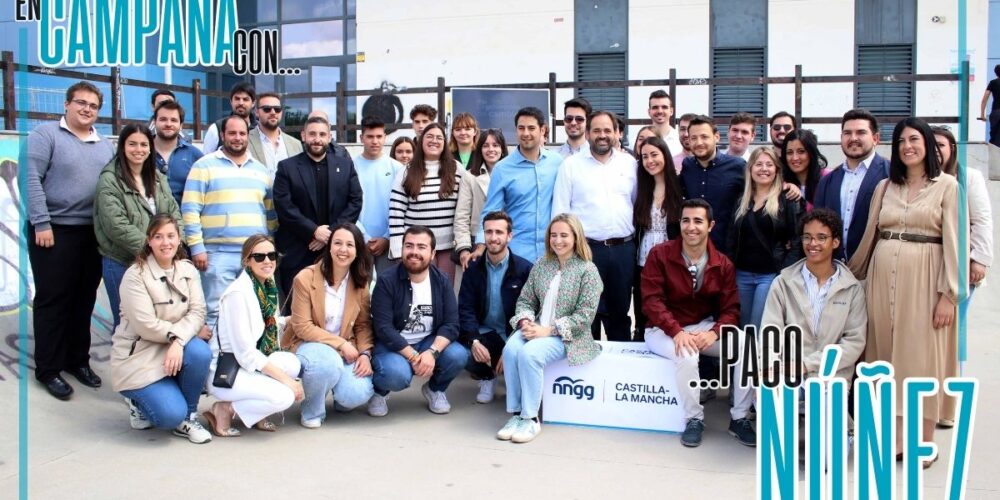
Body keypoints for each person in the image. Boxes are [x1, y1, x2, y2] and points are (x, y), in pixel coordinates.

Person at [847, 117, 958, 468]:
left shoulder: (948, 186)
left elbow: (956, 242)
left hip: (926, 280)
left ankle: (923, 441)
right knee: (883, 357)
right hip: (882, 278)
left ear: (926, 143)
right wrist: (850, 277)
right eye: (901, 141)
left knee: (920, 360)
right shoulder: (885, 186)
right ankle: (892, 440)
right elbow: (870, 236)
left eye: (914, 139)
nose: (908, 146)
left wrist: (949, 295)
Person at [27, 81, 115, 400]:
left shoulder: (104, 144)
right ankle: (48, 369)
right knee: (54, 299)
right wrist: (41, 222)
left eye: (93, 106)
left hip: (90, 233)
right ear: (66, 104)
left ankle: (77, 360)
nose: (86, 109)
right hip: (53, 230)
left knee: (83, 299)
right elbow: (31, 180)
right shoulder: (45, 135)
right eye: (81, 103)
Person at [641, 199, 752, 448]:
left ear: (711, 225)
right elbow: (651, 301)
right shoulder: (660, 254)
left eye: (698, 221)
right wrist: (676, 331)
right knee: (688, 354)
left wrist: (715, 332)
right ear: (679, 224)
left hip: (701, 327)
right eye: (686, 220)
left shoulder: (722, 263)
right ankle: (694, 419)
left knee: (747, 344)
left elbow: (731, 310)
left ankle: (740, 418)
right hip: (661, 330)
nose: (691, 227)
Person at [498, 213, 603, 443]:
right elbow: (526, 300)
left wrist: (548, 330)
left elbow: (585, 316)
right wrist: (525, 321)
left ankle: (531, 419)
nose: (558, 240)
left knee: (530, 353)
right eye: (553, 235)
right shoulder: (542, 265)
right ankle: (516, 414)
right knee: (510, 350)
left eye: (564, 235)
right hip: (536, 328)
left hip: (568, 337)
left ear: (576, 237)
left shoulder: (588, 270)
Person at [111, 214, 212, 443]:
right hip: (141, 356)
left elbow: (198, 312)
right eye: (158, 237)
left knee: (199, 352)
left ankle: (188, 417)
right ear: (149, 241)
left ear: (179, 240)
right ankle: (139, 403)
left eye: (170, 236)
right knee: (168, 415)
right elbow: (145, 325)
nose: (165, 243)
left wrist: (178, 342)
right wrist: (180, 337)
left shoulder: (187, 270)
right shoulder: (135, 275)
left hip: (172, 348)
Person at [182, 115, 277, 330]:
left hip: (254, 256)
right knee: (216, 310)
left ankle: (250, 361)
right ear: (223, 135)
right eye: (232, 133)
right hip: (216, 254)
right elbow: (190, 210)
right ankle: (217, 362)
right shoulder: (203, 166)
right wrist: (197, 247)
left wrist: (268, 249)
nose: (237, 138)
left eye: (242, 133)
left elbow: (270, 215)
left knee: (255, 310)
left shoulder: (261, 171)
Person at [204, 234, 304, 436]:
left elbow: (267, 323)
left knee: (292, 364)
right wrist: (287, 381)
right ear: (247, 261)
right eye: (259, 257)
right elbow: (246, 353)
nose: (267, 261)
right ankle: (224, 409)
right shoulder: (238, 295)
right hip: (228, 372)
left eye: (271, 255)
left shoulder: (266, 287)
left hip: (249, 365)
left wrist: (289, 320)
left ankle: (256, 412)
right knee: (284, 396)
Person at [553, 110, 638, 342]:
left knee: (619, 314)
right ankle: (586, 369)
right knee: (584, 315)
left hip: (623, 250)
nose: (602, 135)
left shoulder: (629, 164)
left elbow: (635, 204)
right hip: (586, 251)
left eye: (607, 130)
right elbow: (561, 213)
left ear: (616, 133)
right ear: (588, 133)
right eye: (597, 130)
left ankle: (619, 370)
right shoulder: (570, 166)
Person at [281, 223, 376, 428]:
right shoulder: (305, 278)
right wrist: (341, 344)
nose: (343, 249)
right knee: (327, 363)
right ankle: (312, 410)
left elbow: (363, 325)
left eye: (350, 245)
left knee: (356, 394)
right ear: (329, 247)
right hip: (308, 344)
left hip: (346, 349)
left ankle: (339, 396)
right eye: (338, 243)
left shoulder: (360, 282)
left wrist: (365, 354)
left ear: (358, 250)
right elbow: (302, 326)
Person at [368, 226, 470, 416]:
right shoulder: (386, 281)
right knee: (397, 374)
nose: (414, 252)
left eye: (421, 247)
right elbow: (383, 328)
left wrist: (431, 352)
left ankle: (435, 389)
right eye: (409, 246)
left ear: (432, 253)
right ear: (402, 249)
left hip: (426, 342)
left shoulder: (441, 280)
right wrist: (414, 357)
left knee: (458, 355)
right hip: (393, 345)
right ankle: (379, 392)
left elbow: (451, 324)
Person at [931, 125, 992, 428]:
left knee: (955, 336)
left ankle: (950, 402)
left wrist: (979, 259)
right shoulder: (922, 180)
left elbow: (981, 220)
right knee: (933, 335)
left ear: (952, 148)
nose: (936, 150)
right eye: (931, 144)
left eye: (940, 144)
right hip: (929, 268)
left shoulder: (969, 177)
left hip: (960, 269)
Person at [95, 124, 183, 330]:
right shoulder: (110, 179)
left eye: (144, 144)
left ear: (151, 148)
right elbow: (116, 225)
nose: (138, 149)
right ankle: (126, 362)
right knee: (127, 325)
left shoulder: (157, 177)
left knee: (156, 321)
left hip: (157, 260)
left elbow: (173, 211)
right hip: (122, 261)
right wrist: (153, 249)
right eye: (132, 144)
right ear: (122, 147)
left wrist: (176, 244)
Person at [273, 116, 362, 300]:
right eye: (312, 134)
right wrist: (313, 231)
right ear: (303, 135)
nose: (317, 139)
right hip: (296, 251)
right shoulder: (286, 167)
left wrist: (329, 233)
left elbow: (355, 202)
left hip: (334, 253)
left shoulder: (345, 166)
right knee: (296, 309)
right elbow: (284, 206)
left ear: (329, 137)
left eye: (322, 134)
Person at [458, 211, 533, 403]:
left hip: (512, 335)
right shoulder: (473, 269)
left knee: (522, 356)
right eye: (488, 232)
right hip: (484, 334)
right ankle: (487, 377)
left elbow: (531, 312)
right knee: (460, 352)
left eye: (499, 232)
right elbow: (465, 308)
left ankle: (512, 375)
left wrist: (512, 347)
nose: (493, 238)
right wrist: (474, 340)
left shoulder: (525, 269)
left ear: (509, 235)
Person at [726, 147, 802, 330]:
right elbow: (731, 238)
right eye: (758, 164)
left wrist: (784, 271)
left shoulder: (786, 199)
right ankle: (745, 360)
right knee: (742, 326)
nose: (764, 169)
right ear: (750, 169)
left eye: (769, 164)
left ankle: (760, 359)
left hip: (769, 275)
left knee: (760, 326)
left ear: (776, 169)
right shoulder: (741, 200)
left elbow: (797, 239)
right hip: (741, 274)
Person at [478, 107, 561, 263]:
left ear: (542, 130)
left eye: (531, 128)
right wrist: (481, 244)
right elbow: (491, 211)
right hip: (516, 253)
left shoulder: (557, 162)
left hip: (551, 252)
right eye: (521, 128)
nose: (525, 133)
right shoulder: (502, 169)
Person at [389, 122, 464, 281]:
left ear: (445, 143)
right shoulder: (407, 171)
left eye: (439, 138)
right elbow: (396, 213)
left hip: (447, 247)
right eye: (429, 137)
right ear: (421, 141)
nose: (434, 141)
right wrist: (398, 249)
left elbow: (465, 207)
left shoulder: (456, 169)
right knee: (418, 294)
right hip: (417, 246)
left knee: (443, 292)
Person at [814, 109, 889, 261]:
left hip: (876, 267)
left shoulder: (890, 174)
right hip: (835, 270)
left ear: (875, 138)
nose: (853, 138)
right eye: (847, 133)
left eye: (861, 132)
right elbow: (817, 226)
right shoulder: (828, 181)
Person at [632, 136, 682, 340]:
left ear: (665, 155)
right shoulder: (642, 188)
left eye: (654, 155)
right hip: (643, 256)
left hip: (671, 255)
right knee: (644, 303)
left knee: (670, 304)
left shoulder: (680, 185)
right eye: (645, 157)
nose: (650, 161)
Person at [679, 115, 746, 254]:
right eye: (693, 138)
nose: (699, 142)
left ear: (716, 137)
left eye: (704, 137)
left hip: (727, 250)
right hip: (693, 249)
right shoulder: (687, 166)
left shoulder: (738, 166)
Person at [454, 128, 509, 270]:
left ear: (502, 149)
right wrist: (464, 248)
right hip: (476, 243)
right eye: (485, 145)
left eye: (495, 145)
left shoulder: (513, 174)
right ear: (480, 150)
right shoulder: (470, 176)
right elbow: (462, 216)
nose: (491, 149)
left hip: (506, 242)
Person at [355, 116, 405, 274]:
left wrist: (387, 237)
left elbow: (402, 207)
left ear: (385, 137)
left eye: (379, 136)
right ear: (361, 138)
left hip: (390, 242)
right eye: (370, 136)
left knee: (389, 292)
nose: (375, 141)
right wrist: (363, 236)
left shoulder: (397, 168)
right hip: (359, 242)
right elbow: (347, 205)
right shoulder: (350, 166)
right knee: (359, 292)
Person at [152, 100, 204, 206]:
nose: (168, 124)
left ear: (181, 125)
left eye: (174, 120)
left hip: (183, 220)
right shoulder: (141, 152)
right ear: (154, 122)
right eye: (163, 119)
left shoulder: (194, 155)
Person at [247, 92, 304, 179]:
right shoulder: (245, 140)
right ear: (257, 112)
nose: (273, 112)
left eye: (277, 109)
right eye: (267, 109)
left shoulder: (296, 144)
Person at [201, 82, 258, 153]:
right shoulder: (217, 128)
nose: (241, 103)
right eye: (237, 99)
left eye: (245, 99)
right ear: (231, 101)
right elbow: (206, 159)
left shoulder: (259, 129)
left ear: (253, 103)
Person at [780, 129, 828, 211]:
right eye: (789, 152)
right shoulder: (781, 182)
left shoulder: (828, 178)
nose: (795, 158)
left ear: (811, 153)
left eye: (801, 151)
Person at [647, 90, 683, 155]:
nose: (660, 111)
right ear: (649, 112)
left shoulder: (680, 140)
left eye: (664, 107)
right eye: (655, 107)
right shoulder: (639, 140)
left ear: (671, 111)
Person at [978, 64, 1000, 147]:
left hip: (996, 112)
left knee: (994, 138)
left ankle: (994, 158)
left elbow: (984, 99)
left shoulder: (993, 82)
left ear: (996, 73)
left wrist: (982, 114)